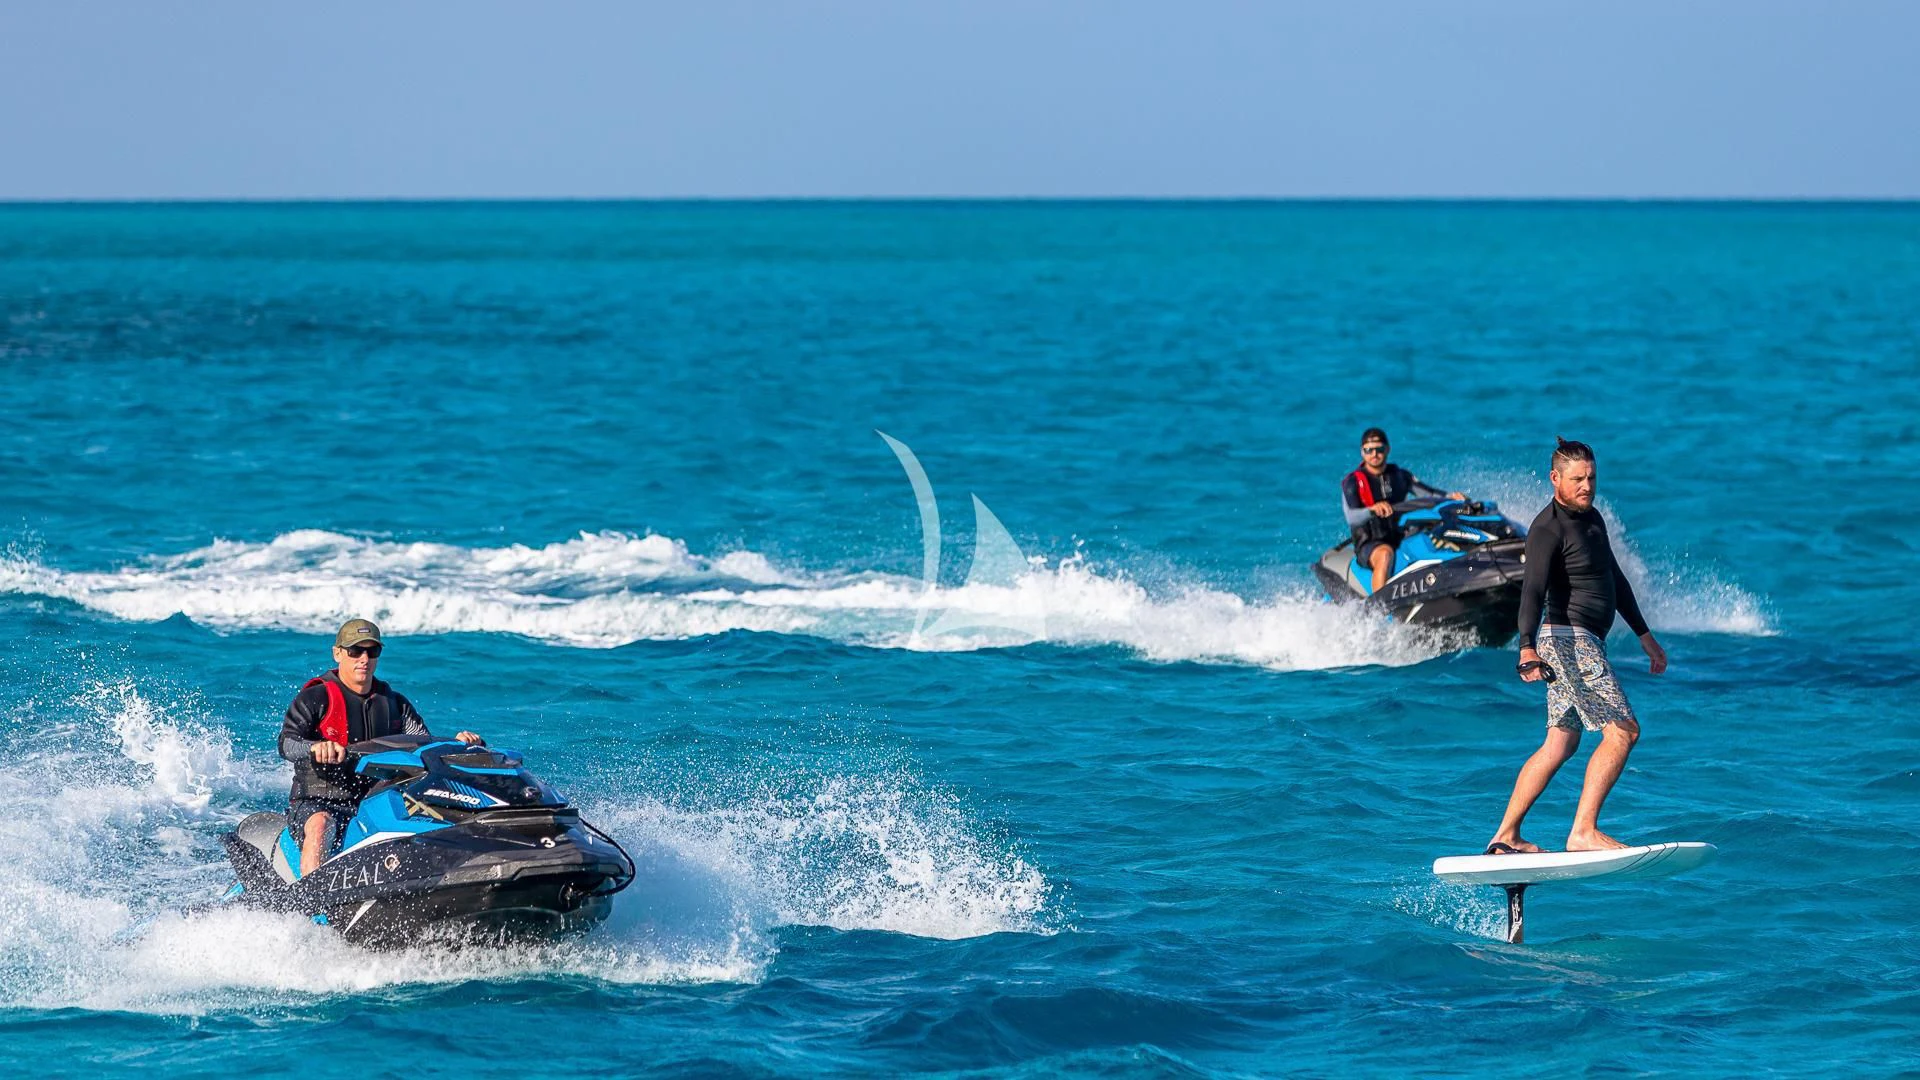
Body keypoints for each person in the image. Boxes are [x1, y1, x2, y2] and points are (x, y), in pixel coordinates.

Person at [1486, 438, 1668, 855]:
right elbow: (1532, 592)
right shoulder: (1547, 528)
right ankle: (1583, 831)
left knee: (1560, 743)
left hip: (1585, 641)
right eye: (1577, 479)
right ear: (1555, 478)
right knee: (1622, 732)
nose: (1587, 486)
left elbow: (1615, 578)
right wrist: (1526, 648)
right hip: (1569, 641)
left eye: (1591, 478)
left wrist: (1644, 635)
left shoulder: (1593, 518)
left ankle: (1506, 836)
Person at [278, 618, 483, 876]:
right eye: (355, 651)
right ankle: (311, 898)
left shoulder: (395, 703)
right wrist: (315, 747)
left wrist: (457, 744)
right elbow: (286, 744)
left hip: (375, 800)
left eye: (372, 651)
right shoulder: (316, 697)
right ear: (338, 653)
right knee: (320, 824)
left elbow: (423, 746)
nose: (364, 659)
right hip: (319, 801)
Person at [1340, 427, 1465, 593]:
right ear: (1362, 452)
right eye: (1369, 450)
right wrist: (1372, 510)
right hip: (1370, 542)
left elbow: (1429, 494)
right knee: (1385, 555)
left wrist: (1451, 497)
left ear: (1387, 449)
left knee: (1437, 536)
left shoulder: (1400, 475)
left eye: (1379, 449)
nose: (1374, 454)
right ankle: (1379, 604)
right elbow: (1352, 517)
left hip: (1400, 535)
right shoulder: (1353, 482)